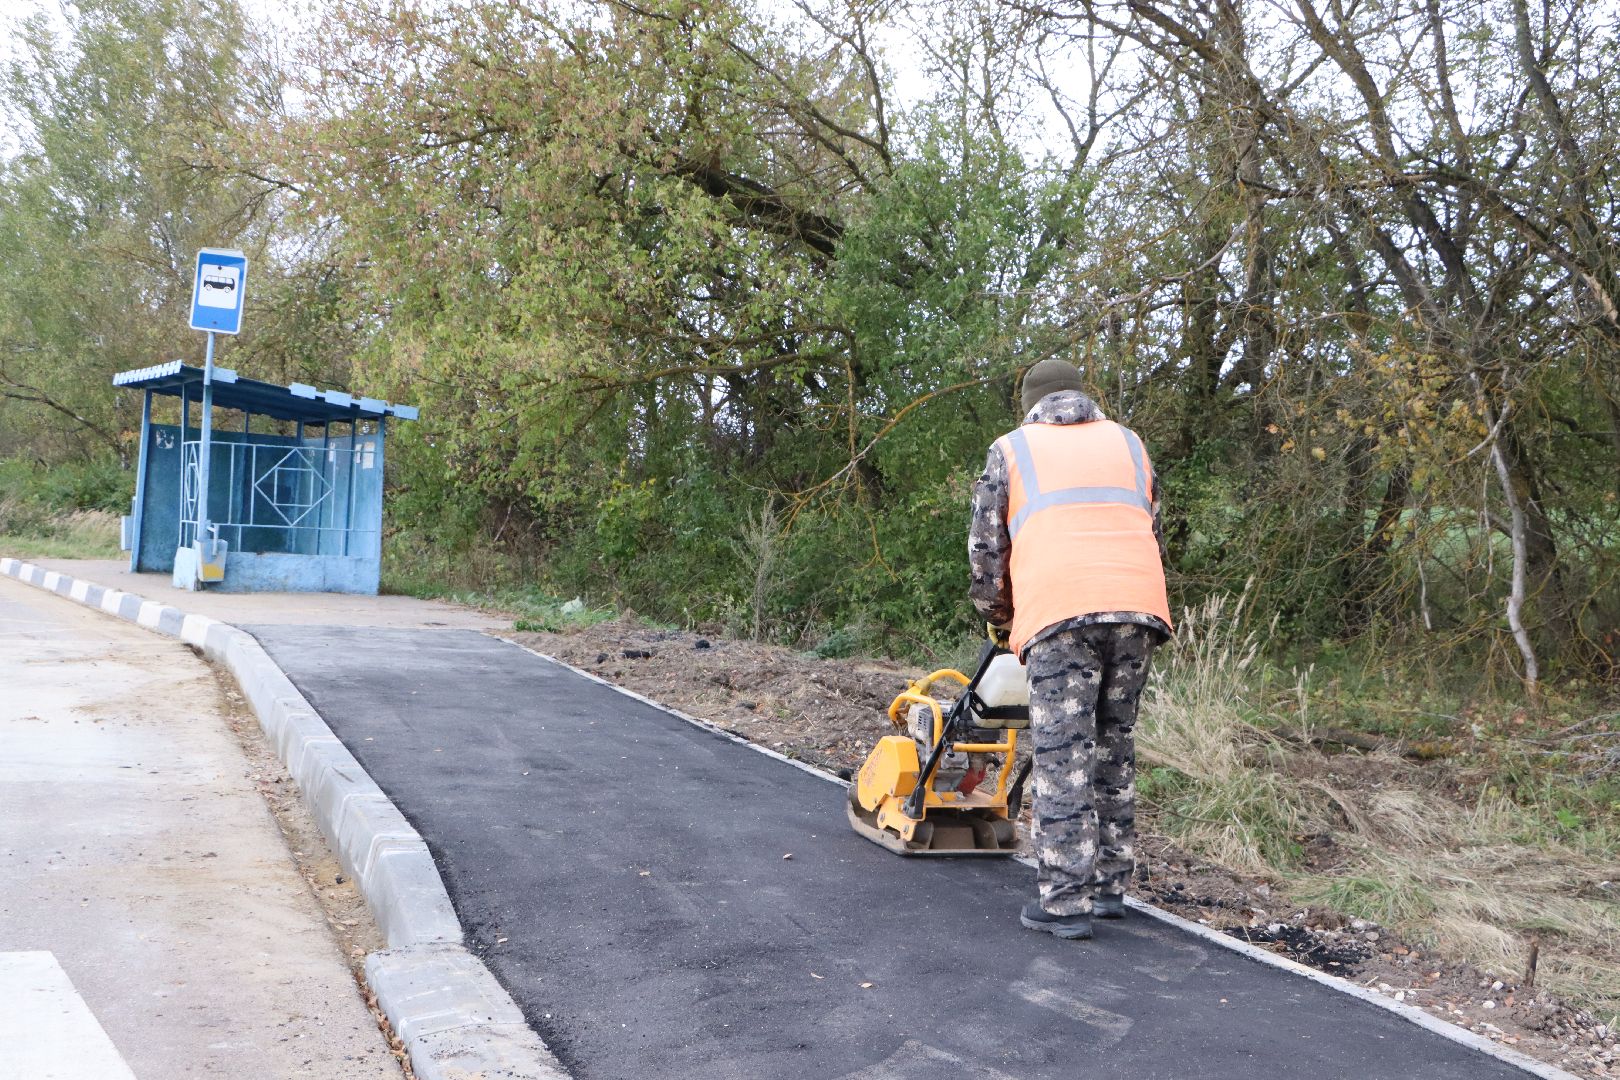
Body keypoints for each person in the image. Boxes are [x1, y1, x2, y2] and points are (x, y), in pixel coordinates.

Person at [968, 358, 1171, 940]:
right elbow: (1153, 531)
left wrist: (1000, 615)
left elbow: (987, 550)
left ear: (1030, 403)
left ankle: (1063, 901)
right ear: (1082, 396)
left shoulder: (1012, 449)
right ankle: (1109, 888)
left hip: (1061, 614)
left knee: (1063, 755)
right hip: (1137, 610)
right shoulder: (1130, 444)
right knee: (1113, 747)